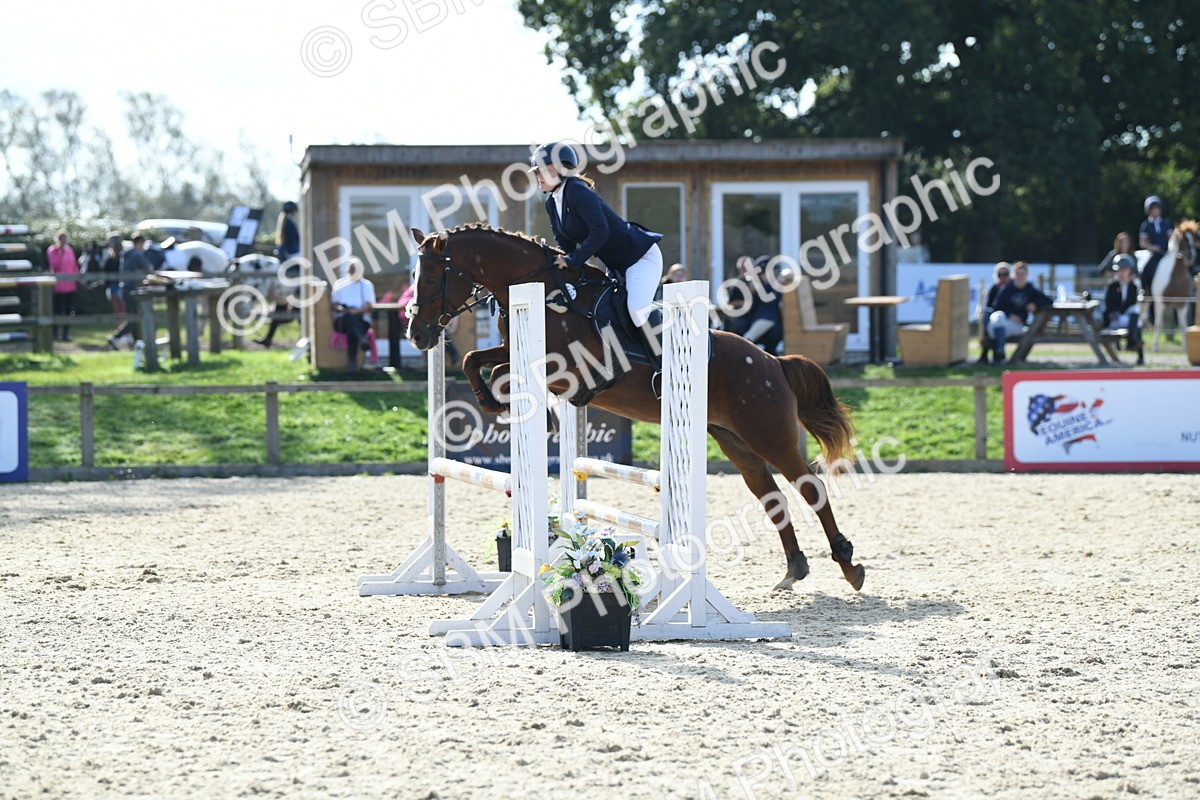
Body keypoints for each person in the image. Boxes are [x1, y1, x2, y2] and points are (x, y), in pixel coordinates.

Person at [530, 141, 663, 359]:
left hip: (639, 257)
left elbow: (600, 231)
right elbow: (565, 243)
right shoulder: (552, 202)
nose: (539, 176)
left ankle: (666, 362)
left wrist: (572, 261)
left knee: (637, 310)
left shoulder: (578, 192)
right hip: (617, 266)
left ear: (562, 169)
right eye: (537, 172)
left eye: (544, 170)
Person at [987, 261, 1051, 364]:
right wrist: (1009, 314)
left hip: (1018, 326)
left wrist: (1035, 304)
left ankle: (998, 355)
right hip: (1004, 322)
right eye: (1017, 274)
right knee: (997, 317)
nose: (1019, 277)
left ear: (1027, 275)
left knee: (994, 327)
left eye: (1022, 274)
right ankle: (1000, 351)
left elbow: (1048, 301)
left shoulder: (1030, 290)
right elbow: (996, 308)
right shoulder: (1007, 289)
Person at [256, 201, 301, 347]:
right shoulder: (288, 223)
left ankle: (268, 339)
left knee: (280, 308)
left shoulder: (285, 221)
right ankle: (299, 290)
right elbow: (293, 243)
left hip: (290, 253)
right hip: (292, 254)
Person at [332, 258, 375, 372]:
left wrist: (356, 311)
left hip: (361, 318)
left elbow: (369, 305)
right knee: (349, 318)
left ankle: (352, 362)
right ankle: (361, 340)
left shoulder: (366, 285)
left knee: (352, 328)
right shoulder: (339, 284)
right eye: (350, 269)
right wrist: (343, 309)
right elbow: (335, 304)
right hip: (342, 320)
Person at [108, 234, 150, 349]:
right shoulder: (137, 255)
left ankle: (138, 343)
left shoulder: (126, 254)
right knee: (134, 317)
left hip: (124, 288)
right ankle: (115, 337)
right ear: (139, 243)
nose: (144, 247)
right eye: (143, 244)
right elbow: (148, 270)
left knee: (134, 316)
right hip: (132, 289)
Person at [1104, 254, 1144, 365]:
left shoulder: (1133, 286)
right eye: (1120, 270)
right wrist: (1113, 312)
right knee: (1136, 323)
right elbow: (1108, 305)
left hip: (1127, 317)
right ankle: (1132, 342)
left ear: (1130, 270)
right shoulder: (1111, 285)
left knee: (1137, 320)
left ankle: (1136, 348)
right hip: (1114, 318)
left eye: (1124, 270)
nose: (1122, 273)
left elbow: (1132, 304)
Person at [1139, 195, 1171, 325]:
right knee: (1146, 268)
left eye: (1157, 208)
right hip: (1154, 253)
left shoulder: (1165, 223)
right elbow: (1143, 243)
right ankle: (1145, 289)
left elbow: (1171, 237)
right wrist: (1152, 247)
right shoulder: (1146, 225)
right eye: (1153, 209)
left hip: (1166, 253)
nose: (1156, 211)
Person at [47, 230, 80, 342]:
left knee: (69, 311)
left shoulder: (70, 251)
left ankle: (65, 334)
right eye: (61, 238)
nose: (63, 240)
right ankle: (55, 334)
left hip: (70, 286)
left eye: (64, 238)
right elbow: (55, 266)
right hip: (58, 286)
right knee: (57, 311)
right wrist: (60, 253)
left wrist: (79, 278)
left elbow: (74, 266)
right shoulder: (52, 251)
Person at [977, 262, 1012, 364]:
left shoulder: (1012, 288)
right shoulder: (994, 288)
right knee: (988, 316)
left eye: (1005, 274)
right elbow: (990, 305)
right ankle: (997, 353)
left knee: (992, 324)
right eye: (1000, 274)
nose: (1002, 277)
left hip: (1006, 318)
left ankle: (988, 353)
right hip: (994, 317)